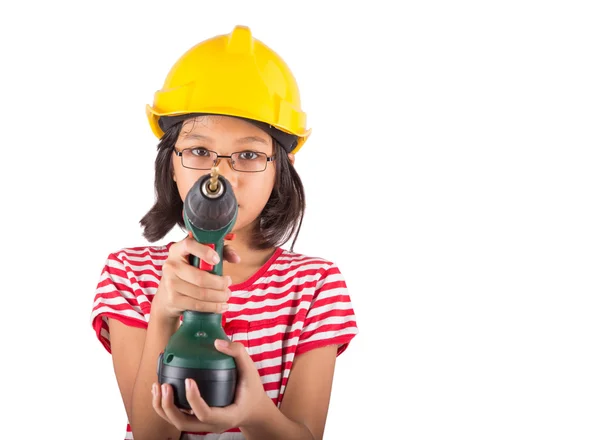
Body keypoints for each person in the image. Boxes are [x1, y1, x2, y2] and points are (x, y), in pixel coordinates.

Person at [90, 25, 358, 440]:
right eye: (199, 151)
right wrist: (163, 309)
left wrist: (255, 413)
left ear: (279, 171)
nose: (222, 174)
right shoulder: (129, 275)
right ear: (172, 164)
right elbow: (149, 435)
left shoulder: (315, 285)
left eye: (249, 154)